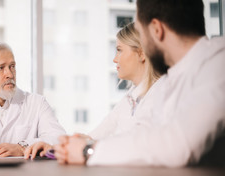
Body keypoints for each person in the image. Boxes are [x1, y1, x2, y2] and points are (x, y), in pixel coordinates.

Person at [55, 0, 225, 167]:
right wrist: (79, 145)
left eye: (141, 33)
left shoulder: (219, 63)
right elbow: (141, 133)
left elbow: (178, 144)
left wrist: (88, 151)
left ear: (157, 30)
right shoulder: (171, 80)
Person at [25, 22, 161, 160]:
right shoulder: (130, 99)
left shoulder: (159, 96)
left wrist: (85, 147)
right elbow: (93, 138)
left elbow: (136, 148)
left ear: (142, 53)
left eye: (119, 50)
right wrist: (55, 148)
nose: (115, 59)